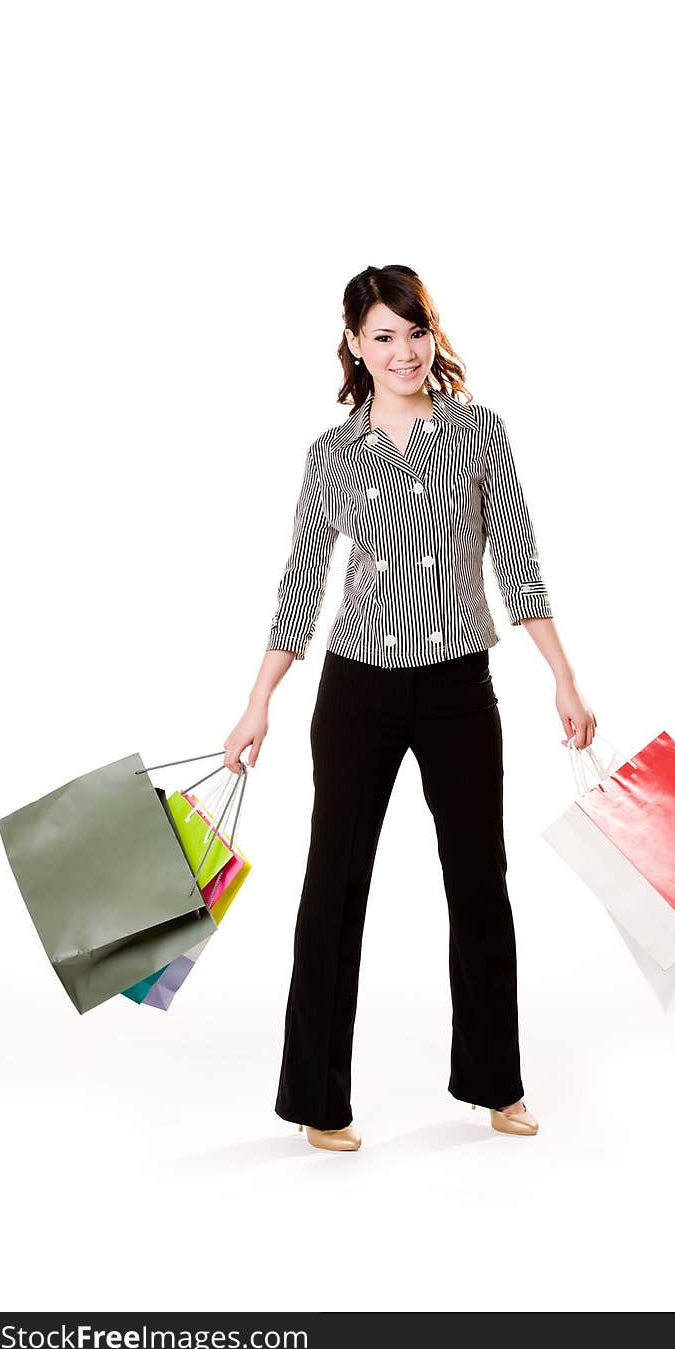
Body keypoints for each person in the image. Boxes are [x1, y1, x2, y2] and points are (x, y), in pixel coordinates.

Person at [223, 264, 597, 1152]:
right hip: (357, 689)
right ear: (355, 344)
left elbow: (519, 558)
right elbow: (302, 581)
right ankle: (318, 1099)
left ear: (435, 335)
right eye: (382, 336)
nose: (403, 351)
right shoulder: (332, 454)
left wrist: (563, 677)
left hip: (461, 687)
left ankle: (496, 1083)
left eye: (415, 331)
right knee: (334, 886)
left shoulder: (479, 434)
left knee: (479, 882)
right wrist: (258, 702)